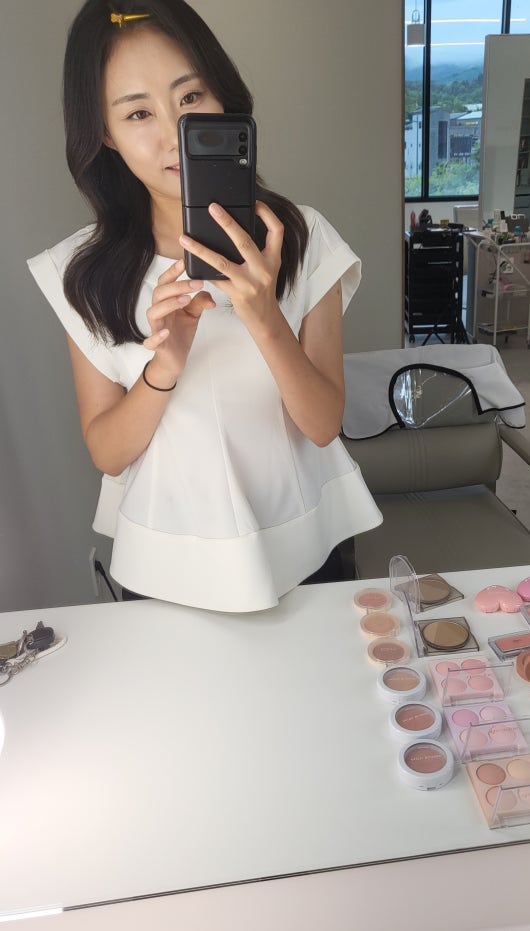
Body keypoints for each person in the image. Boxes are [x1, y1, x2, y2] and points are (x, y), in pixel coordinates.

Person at [28, 0, 381, 611]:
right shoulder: (80, 273)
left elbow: (323, 425)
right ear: (106, 134)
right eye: (138, 113)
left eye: (190, 97)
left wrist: (265, 318)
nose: (173, 133)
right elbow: (108, 453)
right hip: (164, 560)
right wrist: (163, 366)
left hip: (295, 543)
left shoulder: (301, 238)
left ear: (223, 99)